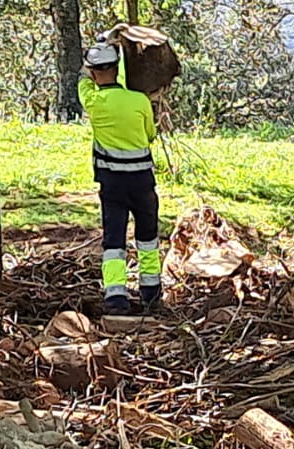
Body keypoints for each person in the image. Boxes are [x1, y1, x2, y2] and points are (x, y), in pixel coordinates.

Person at [79, 34, 162, 315]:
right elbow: (150, 136)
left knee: (114, 241)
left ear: (94, 72)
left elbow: (82, 79)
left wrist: (101, 43)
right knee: (148, 238)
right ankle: (151, 294)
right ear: (117, 67)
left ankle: (115, 297)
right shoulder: (139, 101)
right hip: (143, 183)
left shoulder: (93, 102)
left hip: (112, 185)